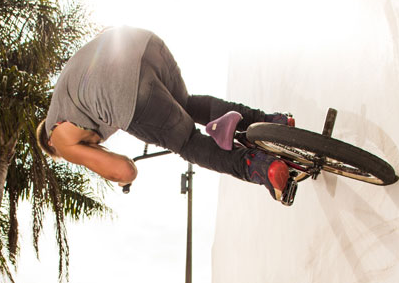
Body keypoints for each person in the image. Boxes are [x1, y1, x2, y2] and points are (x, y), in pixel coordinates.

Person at [37, 26, 295, 203]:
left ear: (49, 142)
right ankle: (272, 123)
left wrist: (113, 174)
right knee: (185, 104)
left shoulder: (57, 138)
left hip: (126, 91)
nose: (95, 143)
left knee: (188, 142)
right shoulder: (67, 93)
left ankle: (260, 167)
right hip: (143, 43)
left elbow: (125, 170)